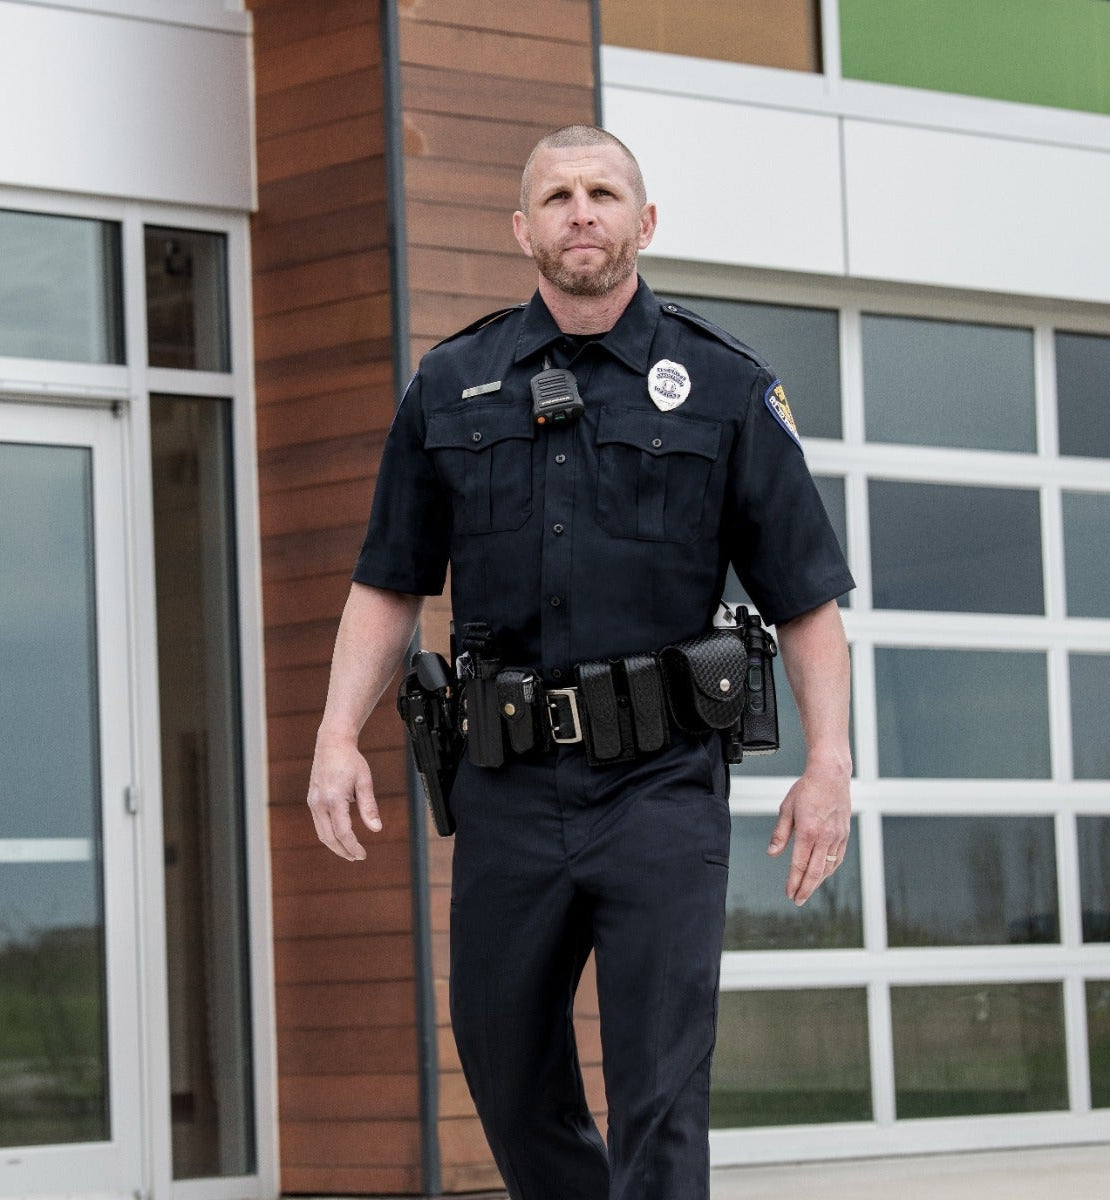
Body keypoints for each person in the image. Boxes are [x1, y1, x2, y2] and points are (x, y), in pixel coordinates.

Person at [307, 124, 854, 1200]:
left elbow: (805, 599)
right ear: (523, 229)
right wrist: (334, 735)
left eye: (604, 191)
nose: (581, 211)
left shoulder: (723, 386)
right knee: (507, 1072)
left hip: (659, 787)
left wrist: (828, 761)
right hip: (507, 786)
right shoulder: (452, 385)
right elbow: (388, 582)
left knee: (660, 1090)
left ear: (644, 222)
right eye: (557, 195)